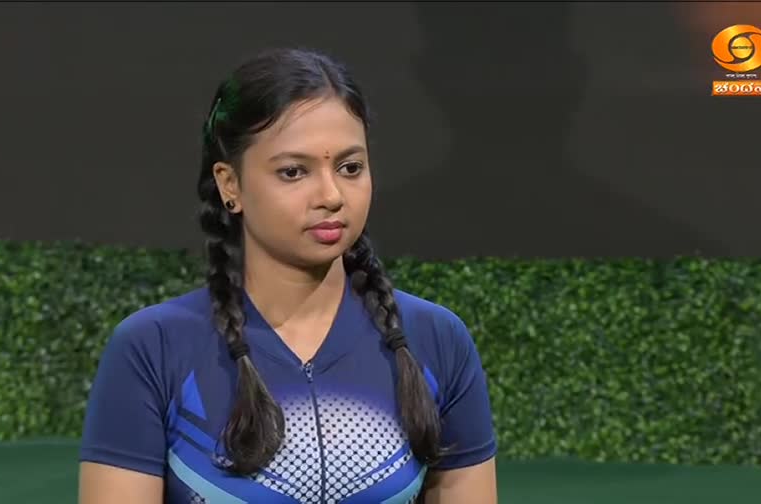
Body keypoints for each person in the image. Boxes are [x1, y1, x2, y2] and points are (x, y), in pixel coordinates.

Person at [77, 47, 498, 504]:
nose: (331, 195)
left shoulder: (438, 339)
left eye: (350, 168)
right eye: (294, 172)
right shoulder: (152, 348)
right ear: (229, 184)